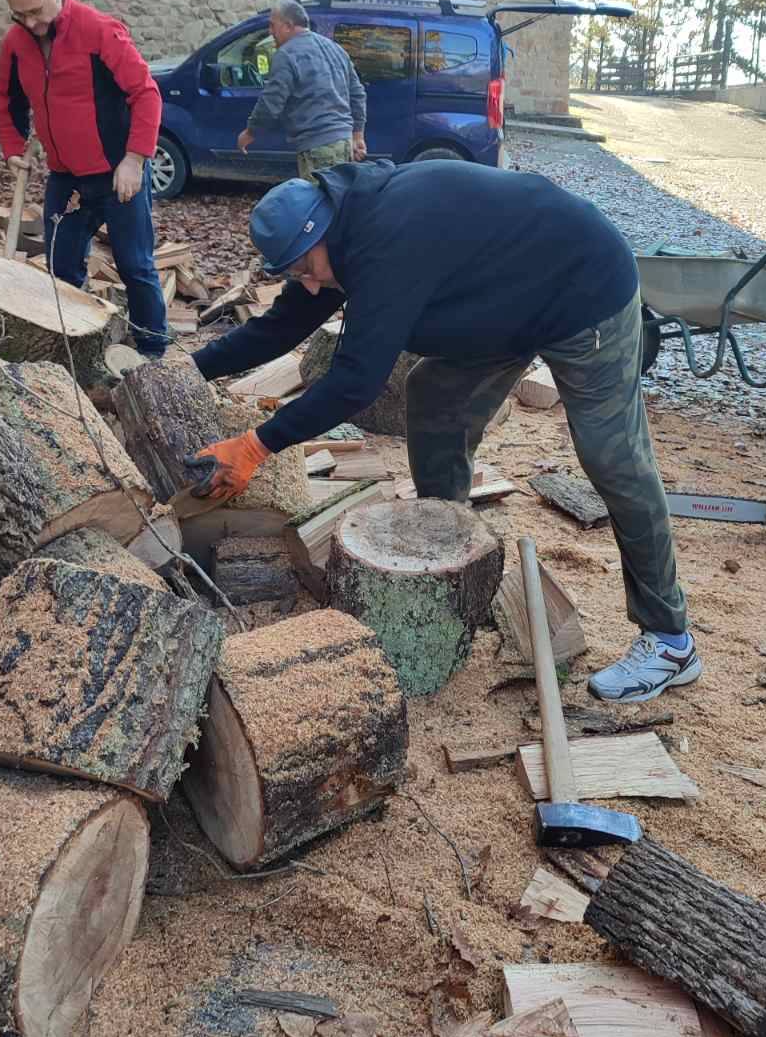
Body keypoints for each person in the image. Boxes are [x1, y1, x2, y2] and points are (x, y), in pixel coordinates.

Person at [186, 159, 699, 705]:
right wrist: (191, 369)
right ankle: (450, 565)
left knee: (612, 456)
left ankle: (670, 638)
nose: (308, 282)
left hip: (582, 290)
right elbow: (281, 325)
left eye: (307, 266)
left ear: (324, 229)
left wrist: (255, 446)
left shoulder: (387, 240)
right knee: (435, 396)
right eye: (294, 273)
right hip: (507, 299)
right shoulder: (339, 235)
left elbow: (356, 380)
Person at [0, 0, 168, 359]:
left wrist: (135, 159)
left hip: (116, 174)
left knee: (135, 266)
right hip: (66, 178)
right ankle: (72, 347)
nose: (32, 23)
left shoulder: (99, 30)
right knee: (62, 265)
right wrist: (12, 149)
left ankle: (153, 349)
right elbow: (8, 103)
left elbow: (146, 93)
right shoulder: (15, 45)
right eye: (20, 16)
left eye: (37, 12)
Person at [236, 0, 367, 178]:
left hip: (317, 149)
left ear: (288, 26)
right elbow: (357, 94)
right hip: (344, 143)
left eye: (273, 25)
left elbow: (271, 101)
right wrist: (357, 136)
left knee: (318, 203)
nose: (270, 32)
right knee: (338, 202)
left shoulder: (287, 54)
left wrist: (251, 132)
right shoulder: (335, 49)